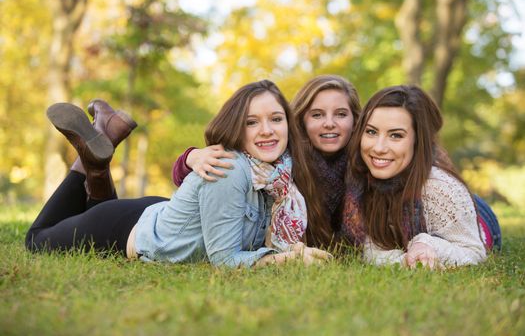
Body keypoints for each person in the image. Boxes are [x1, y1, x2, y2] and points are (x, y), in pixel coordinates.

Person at [25, 80, 332, 268]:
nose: (267, 130)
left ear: (287, 125)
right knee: (36, 239)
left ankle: (102, 145)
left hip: (159, 215)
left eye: (276, 119)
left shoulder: (278, 172)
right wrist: (285, 260)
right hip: (122, 230)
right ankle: (90, 160)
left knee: (88, 212)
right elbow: (224, 261)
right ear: (237, 127)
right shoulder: (228, 169)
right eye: (252, 122)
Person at [171, 75, 361, 248]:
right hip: (173, 224)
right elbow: (194, 179)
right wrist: (191, 157)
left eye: (341, 114)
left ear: (355, 120)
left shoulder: (366, 162)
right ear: (301, 120)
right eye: (317, 114)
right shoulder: (281, 156)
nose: (329, 123)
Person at [341, 85, 501, 269]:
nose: (378, 147)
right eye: (371, 132)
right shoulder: (357, 178)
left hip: (471, 219)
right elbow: (370, 250)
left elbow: (474, 252)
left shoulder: (441, 188)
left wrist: (426, 243)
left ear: (418, 141)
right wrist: (404, 261)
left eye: (395, 135)